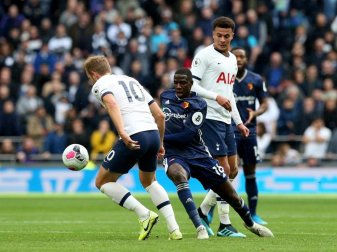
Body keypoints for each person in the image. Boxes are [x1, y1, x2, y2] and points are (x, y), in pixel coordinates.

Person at [161, 68, 273, 239]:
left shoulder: (198, 104)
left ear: (191, 84)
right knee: (178, 175)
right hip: (175, 154)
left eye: (182, 82)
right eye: (175, 82)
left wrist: (160, 139)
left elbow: (187, 136)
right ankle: (200, 227)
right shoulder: (165, 97)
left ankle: (251, 224)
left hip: (199, 154)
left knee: (231, 194)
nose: (178, 86)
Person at [83, 55, 182, 241]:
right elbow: (160, 115)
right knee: (149, 181)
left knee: (102, 182)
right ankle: (174, 229)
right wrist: (160, 143)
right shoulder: (131, 80)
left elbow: (111, 103)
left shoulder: (100, 84)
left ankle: (145, 215)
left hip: (134, 135)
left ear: (94, 75)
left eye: (89, 77)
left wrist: (122, 132)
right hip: (152, 133)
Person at [190, 16, 249, 237]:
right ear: (213, 34)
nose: (222, 39)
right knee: (222, 170)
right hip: (208, 118)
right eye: (218, 35)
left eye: (226, 36)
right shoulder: (204, 56)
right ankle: (225, 223)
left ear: (233, 35)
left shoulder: (233, 59)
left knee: (233, 170)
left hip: (225, 120)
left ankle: (203, 211)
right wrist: (215, 96)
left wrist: (239, 121)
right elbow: (193, 87)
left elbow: (229, 95)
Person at [231, 47, 269, 224]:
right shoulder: (224, 79)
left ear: (246, 59)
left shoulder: (256, 79)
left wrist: (256, 113)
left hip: (250, 130)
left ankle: (253, 213)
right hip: (229, 130)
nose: (239, 59)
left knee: (250, 172)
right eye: (236, 56)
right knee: (224, 171)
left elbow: (265, 104)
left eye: (242, 56)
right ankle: (210, 212)